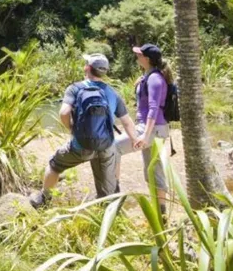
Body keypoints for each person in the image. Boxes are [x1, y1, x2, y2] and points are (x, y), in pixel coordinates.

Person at [42, 54, 143, 201]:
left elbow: (64, 112)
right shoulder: (113, 93)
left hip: (80, 146)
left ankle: (44, 199)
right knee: (106, 190)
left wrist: (71, 128)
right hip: (106, 146)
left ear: (87, 68)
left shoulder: (75, 88)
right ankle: (107, 212)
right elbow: (127, 122)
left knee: (54, 165)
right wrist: (135, 139)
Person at [115, 43, 173, 214]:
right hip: (155, 129)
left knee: (113, 147)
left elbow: (154, 108)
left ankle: (113, 192)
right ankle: (161, 211)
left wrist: (145, 136)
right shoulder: (149, 76)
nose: (137, 57)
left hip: (152, 130)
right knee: (154, 170)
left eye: (139, 55)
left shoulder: (154, 79)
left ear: (147, 59)